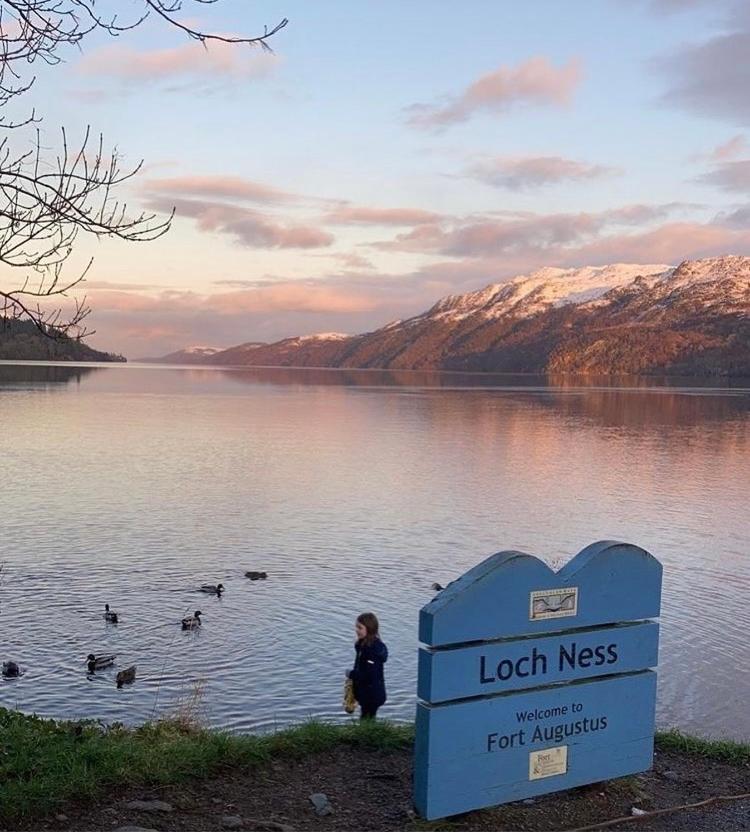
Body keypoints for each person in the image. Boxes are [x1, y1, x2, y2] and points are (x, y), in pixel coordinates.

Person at [348, 612, 388, 720]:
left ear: (369, 629)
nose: (357, 630)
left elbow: (369, 674)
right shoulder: (362, 646)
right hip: (368, 692)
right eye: (356, 627)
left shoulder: (372, 651)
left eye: (360, 628)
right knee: (368, 715)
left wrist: (351, 674)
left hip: (372, 694)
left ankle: (367, 735)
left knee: (366, 716)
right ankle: (368, 732)